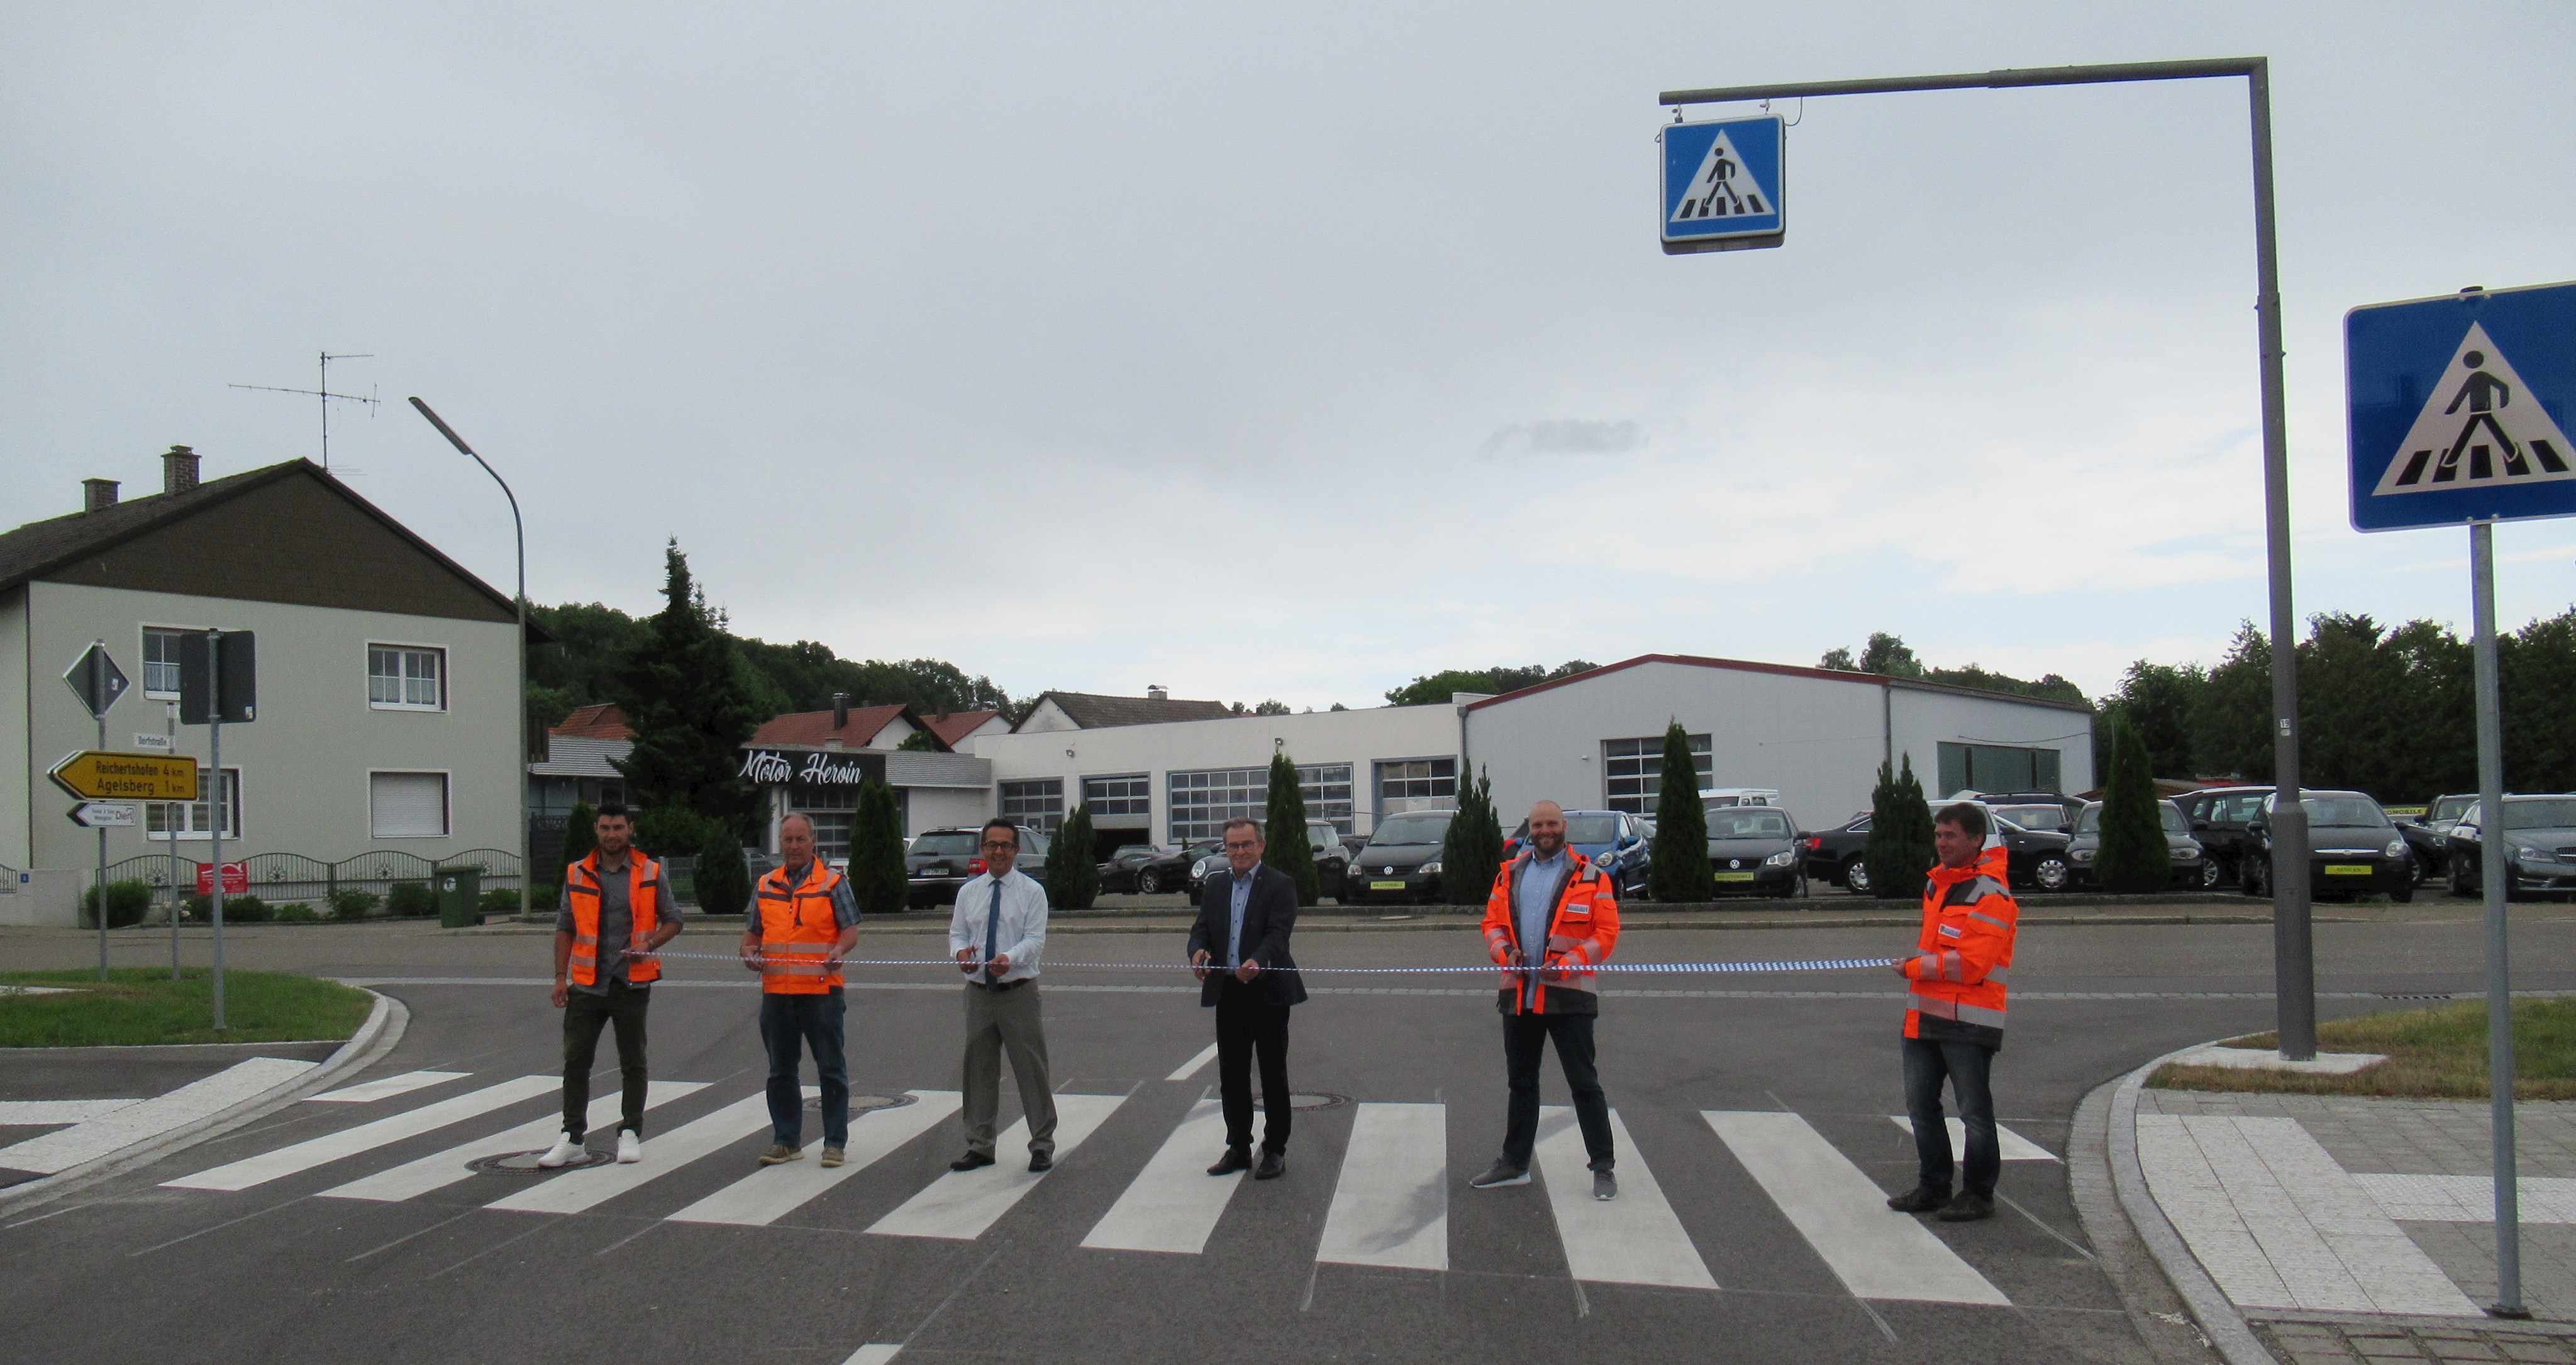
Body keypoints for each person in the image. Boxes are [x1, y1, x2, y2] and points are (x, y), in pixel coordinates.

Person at [1471, 800, 1621, 1201]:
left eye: (1552, 823)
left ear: (1564, 828)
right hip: (1519, 995)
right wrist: (1507, 955)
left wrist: (1570, 963)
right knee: (1521, 1083)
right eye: (1538, 825)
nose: (1545, 831)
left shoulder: (1592, 877)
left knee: (1584, 1084)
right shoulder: (1509, 875)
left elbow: (1606, 934)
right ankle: (1514, 1163)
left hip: (1568, 995)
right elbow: (1491, 924)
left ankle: (1603, 1166)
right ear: (1529, 830)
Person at [1885, 801, 2019, 1223]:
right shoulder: (1936, 887)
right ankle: (1934, 1187)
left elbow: (1971, 964)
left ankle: (1979, 1194)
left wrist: (1912, 967)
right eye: (1939, 835)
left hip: (1971, 1020)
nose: (1942, 843)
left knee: (1974, 1112)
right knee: (1920, 1105)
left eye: (1951, 836)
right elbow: (1940, 951)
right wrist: (1919, 968)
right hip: (1925, 1016)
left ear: (1976, 839)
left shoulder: (1992, 894)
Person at [542, 801, 682, 1168]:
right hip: (586, 985)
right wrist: (560, 977)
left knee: (633, 1061)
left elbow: (674, 919)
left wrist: (648, 945)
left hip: (630, 983)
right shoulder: (578, 873)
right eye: (605, 828)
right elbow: (565, 926)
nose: (612, 835)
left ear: (630, 829)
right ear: (597, 831)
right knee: (576, 1061)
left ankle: (631, 1132)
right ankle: (572, 1137)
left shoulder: (650, 871)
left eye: (618, 827)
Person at [738, 812, 860, 1167]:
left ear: (813, 842)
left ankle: (834, 1142)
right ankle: (787, 1140)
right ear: (780, 843)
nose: (794, 846)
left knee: (830, 1068)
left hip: (822, 992)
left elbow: (850, 930)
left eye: (800, 839)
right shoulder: (766, 885)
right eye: (788, 840)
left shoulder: (833, 883)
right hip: (776, 993)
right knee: (780, 1071)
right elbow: (751, 937)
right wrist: (748, 953)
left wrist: (840, 950)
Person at [1187, 817, 1305, 1180]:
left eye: (1247, 845)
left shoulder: (1280, 885)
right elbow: (1202, 929)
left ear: (1261, 846)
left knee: (1272, 1073)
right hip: (1229, 992)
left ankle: (1274, 1149)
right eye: (1233, 846)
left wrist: (1259, 960)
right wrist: (1197, 952)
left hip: (1268, 991)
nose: (1239, 852)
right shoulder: (1217, 886)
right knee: (1232, 1075)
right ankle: (1238, 1147)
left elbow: (1278, 934)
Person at [947, 818, 1058, 1173]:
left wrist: (1008, 959)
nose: (998, 851)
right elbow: (957, 934)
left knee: (1031, 1068)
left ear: (1016, 850)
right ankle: (980, 1144)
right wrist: (962, 954)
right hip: (979, 992)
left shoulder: (1031, 892)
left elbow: (1035, 940)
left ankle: (1042, 1143)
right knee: (979, 1069)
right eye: (992, 845)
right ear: (982, 849)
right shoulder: (969, 892)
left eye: (1005, 845)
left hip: (1018, 992)